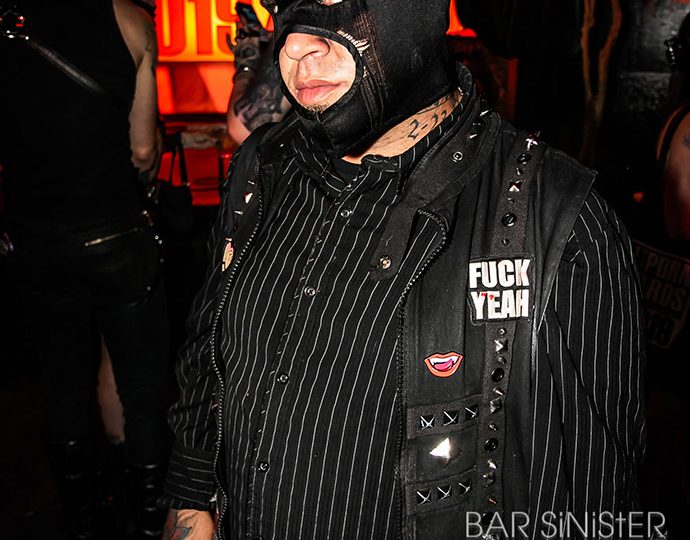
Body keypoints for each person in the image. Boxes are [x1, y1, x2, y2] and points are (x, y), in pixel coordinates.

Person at [159, 1, 646, 538]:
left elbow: (591, 498)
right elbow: (207, 354)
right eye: (284, 6)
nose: (295, 44)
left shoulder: (556, 218)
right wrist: (191, 501)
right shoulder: (262, 166)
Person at [0, 0, 171, 538]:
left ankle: (83, 520)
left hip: (36, 241)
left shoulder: (8, 23)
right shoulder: (130, 21)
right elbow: (142, 149)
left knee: (62, 386)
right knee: (142, 390)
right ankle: (148, 521)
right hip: (116, 234)